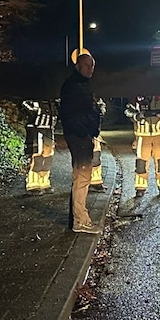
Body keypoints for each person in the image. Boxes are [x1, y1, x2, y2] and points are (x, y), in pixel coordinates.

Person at [60, 50, 102, 233]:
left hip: (80, 135)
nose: (90, 69)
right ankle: (81, 221)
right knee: (82, 176)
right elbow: (77, 113)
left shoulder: (77, 84)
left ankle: (77, 219)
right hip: (80, 137)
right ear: (78, 66)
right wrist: (86, 131)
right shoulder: (76, 86)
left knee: (81, 177)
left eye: (92, 66)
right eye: (87, 65)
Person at [125, 95, 160, 197]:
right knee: (141, 164)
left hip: (159, 135)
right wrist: (138, 116)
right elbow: (128, 111)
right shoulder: (136, 96)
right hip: (142, 136)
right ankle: (140, 188)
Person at [22, 100, 57, 194]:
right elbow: (25, 107)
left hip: (49, 129)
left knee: (48, 155)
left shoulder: (52, 102)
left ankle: (44, 182)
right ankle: (33, 183)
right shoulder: (31, 99)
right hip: (36, 129)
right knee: (37, 155)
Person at [90, 99, 107, 191]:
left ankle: (96, 183)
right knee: (85, 161)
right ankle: (86, 183)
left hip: (95, 136)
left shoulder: (98, 100)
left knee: (96, 158)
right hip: (84, 137)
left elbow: (102, 111)